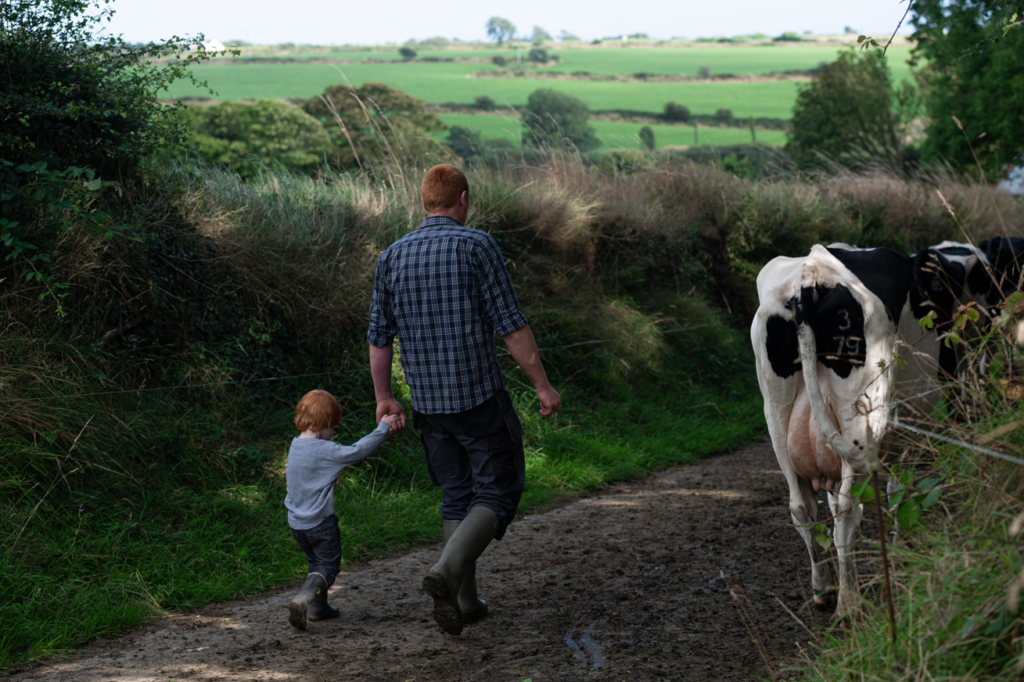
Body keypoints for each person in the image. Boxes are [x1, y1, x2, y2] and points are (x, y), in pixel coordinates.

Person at [367, 164, 561, 636]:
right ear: (464, 198)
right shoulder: (475, 245)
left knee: (457, 494)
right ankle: (448, 571)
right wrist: (541, 384)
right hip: (478, 398)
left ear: (424, 202)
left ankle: (466, 600)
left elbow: (378, 337)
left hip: (429, 406)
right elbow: (510, 325)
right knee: (499, 489)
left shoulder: (391, 256)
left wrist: (385, 398)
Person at [284, 388, 397, 631]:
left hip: (297, 525)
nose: (332, 433)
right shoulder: (327, 449)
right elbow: (358, 451)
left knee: (315, 563)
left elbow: (304, 477)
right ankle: (304, 598)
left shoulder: (295, 446)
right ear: (326, 422)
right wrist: (383, 428)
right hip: (321, 524)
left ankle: (318, 608)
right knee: (328, 566)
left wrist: (329, 476)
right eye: (333, 428)